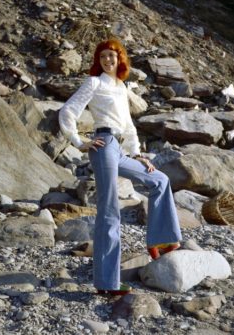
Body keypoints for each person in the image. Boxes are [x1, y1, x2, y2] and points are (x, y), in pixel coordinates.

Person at [59, 38, 182, 296]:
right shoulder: (94, 82)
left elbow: (128, 126)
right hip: (102, 145)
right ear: (98, 60)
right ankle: (107, 283)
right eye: (102, 56)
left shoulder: (121, 86)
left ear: (120, 59)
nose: (107, 60)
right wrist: (80, 142)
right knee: (109, 211)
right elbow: (67, 111)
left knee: (159, 180)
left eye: (112, 56)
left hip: (119, 147)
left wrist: (138, 155)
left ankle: (162, 239)